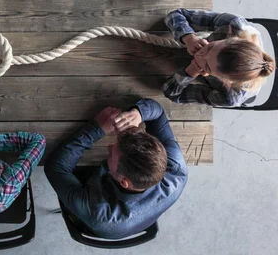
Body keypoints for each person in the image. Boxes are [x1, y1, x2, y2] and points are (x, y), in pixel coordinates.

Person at [45, 99, 187, 239]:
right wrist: (138, 114)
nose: (109, 147)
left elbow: (55, 168)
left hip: (100, 224)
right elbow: (158, 112)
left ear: (124, 181)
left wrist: (96, 129)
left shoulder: (97, 212)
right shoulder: (176, 171)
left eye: (112, 153)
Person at [163, 9, 276, 107]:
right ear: (231, 39)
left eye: (207, 66)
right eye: (211, 47)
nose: (198, 55)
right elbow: (174, 16)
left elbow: (171, 93)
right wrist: (188, 37)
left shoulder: (230, 97)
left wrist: (191, 71)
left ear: (225, 80)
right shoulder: (232, 25)